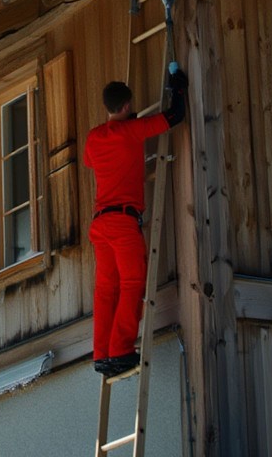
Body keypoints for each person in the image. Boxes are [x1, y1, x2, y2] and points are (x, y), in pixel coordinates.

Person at [83, 68, 188, 377]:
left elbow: (93, 160)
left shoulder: (94, 138)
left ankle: (102, 354)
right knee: (131, 284)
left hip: (100, 224)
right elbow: (174, 116)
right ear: (127, 106)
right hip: (122, 221)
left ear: (107, 107)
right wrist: (178, 87)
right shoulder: (131, 131)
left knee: (106, 290)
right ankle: (121, 350)